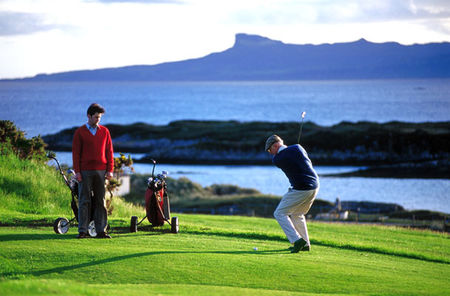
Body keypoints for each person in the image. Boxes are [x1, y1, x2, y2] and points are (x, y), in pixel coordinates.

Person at [265, 134, 319, 253]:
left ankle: (297, 240)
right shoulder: (298, 147)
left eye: (270, 149)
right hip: (314, 186)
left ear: (275, 145)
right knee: (297, 214)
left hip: (302, 189)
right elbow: (297, 153)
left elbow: (283, 155)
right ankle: (305, 244)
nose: (270, 153)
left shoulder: (277, 159)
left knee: (279, 213)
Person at [72, 103, 114, 239]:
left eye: (100, 117)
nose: (98, 120)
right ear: (89, 116)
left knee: (100, 201)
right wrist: (77, 172)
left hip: (101, 171)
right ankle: (82, 231)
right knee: (84, 201)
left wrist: (110, 170)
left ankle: (101, 230)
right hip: (84, 171)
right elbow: (76, 154)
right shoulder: (80, 132)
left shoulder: (105, 131)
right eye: (96, 117)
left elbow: (109, 151)